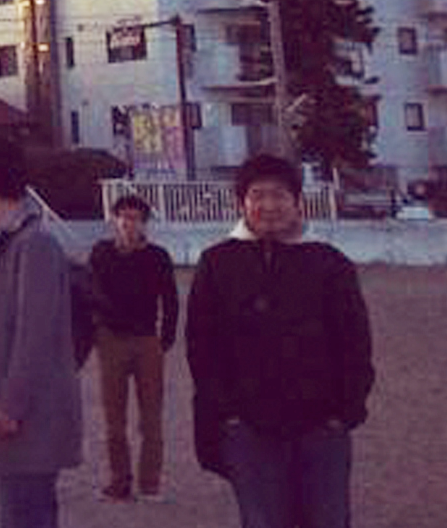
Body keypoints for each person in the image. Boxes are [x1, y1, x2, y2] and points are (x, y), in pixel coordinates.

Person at [188, 155, 374, 528]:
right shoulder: (217, 263)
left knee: (327, 520)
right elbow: (202, 348)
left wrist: (343, 412)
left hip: (321, 425)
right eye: (258, 195)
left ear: (297, 201)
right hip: (248, 427)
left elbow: (355, 343)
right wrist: (227, 415)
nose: (269, 205)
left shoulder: (329, 263)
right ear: (242, 203)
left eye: (279, 195)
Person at [0, 134, 82, 528]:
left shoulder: (34, 245)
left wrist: (11, 403)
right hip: (15, 411)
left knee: (26, 513)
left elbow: (34, 335)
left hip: (29, 414)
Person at [89, 194, 179, 503]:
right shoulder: (101, 253)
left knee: (151, 418)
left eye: (136, 218)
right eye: (124, 217)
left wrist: (165, 338)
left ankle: (150, 484)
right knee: (114, 419)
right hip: (111, 340)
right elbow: (89, 292)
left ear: (144, 223)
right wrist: (96, 332)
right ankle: (119, 482)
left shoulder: (158, 256)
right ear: (114, 220)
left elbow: (170, 299)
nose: (129, 224)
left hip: (146, 340)